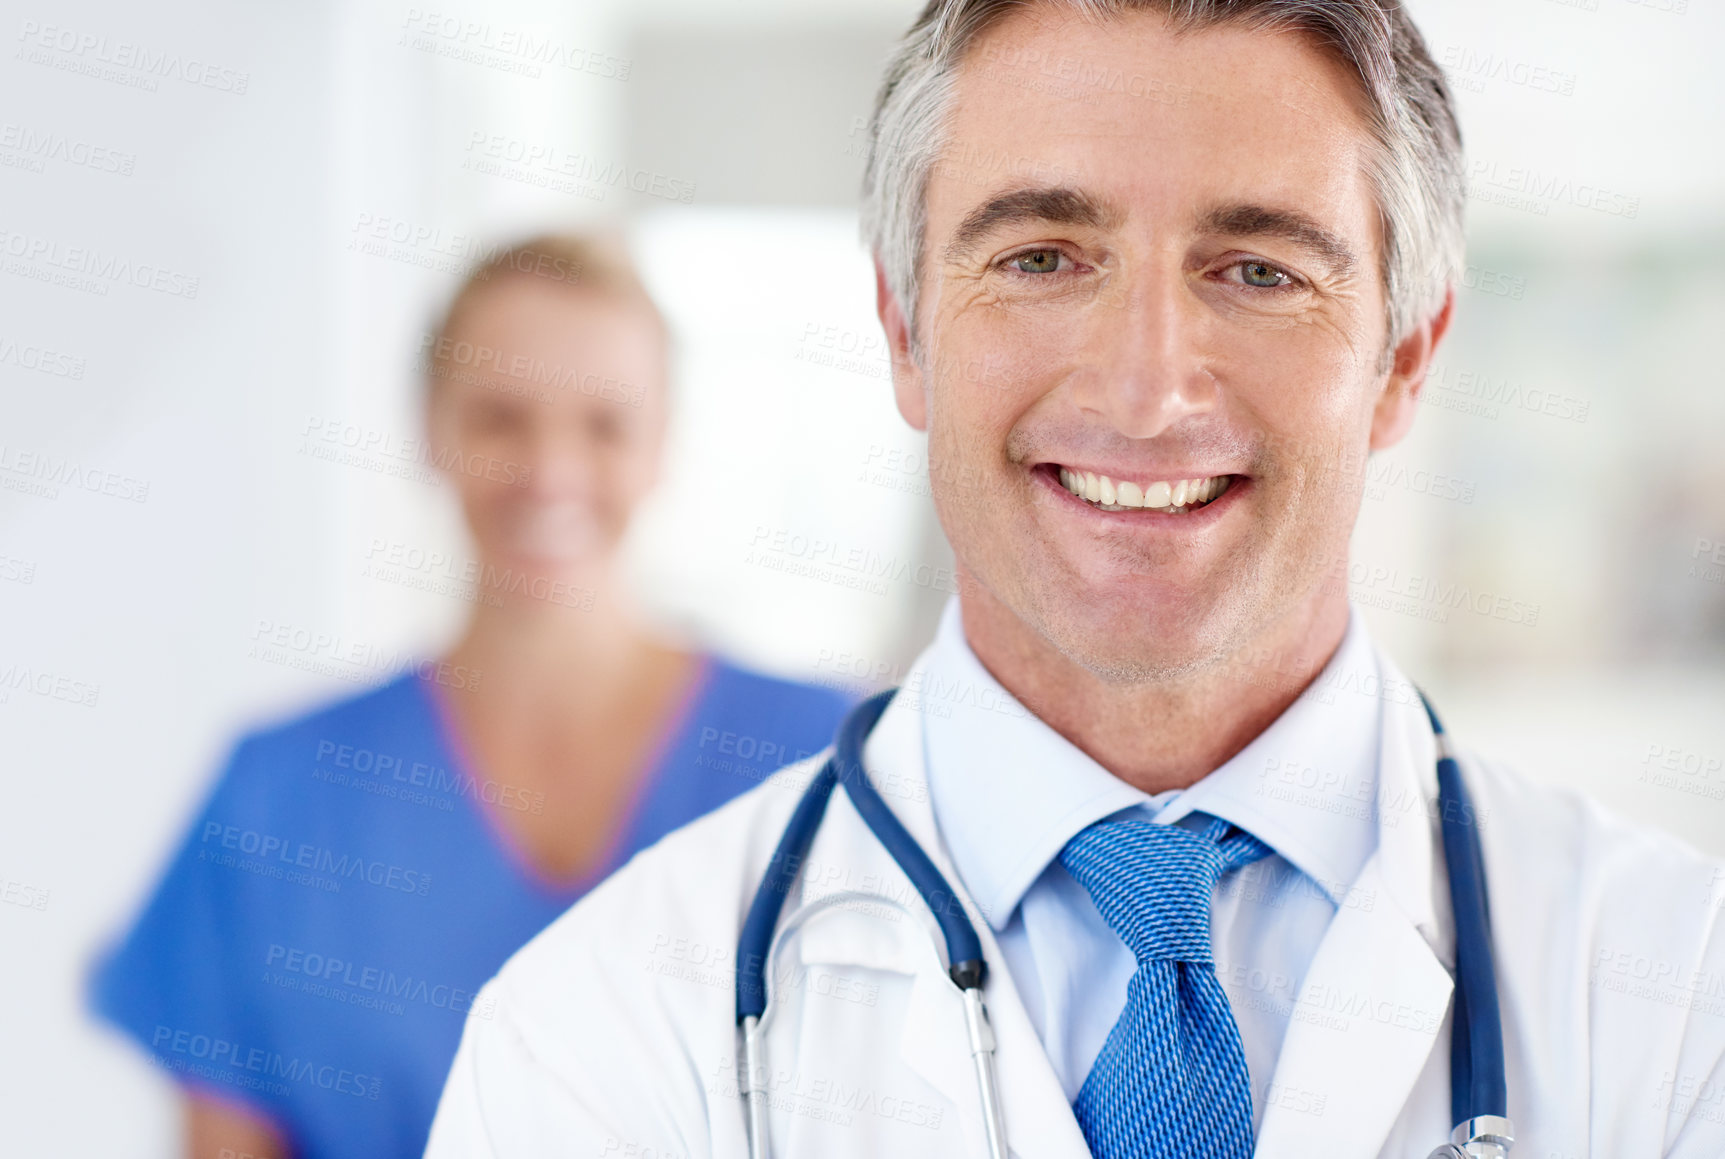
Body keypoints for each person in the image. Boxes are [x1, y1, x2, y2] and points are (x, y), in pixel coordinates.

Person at [425, 5, 1725, 1159]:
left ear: (1403, 359)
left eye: (1259, 269)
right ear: (903, 331)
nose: (1145, 390)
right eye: (1042, 255)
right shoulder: (593, 1040)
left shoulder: (1680, 1001)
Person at [89, 235, 852, 1159]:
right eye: (500, 417)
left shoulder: (829, 764)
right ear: (431, 430)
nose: (551, 470)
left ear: (662, 446)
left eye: (604, 423)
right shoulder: (279, 796)